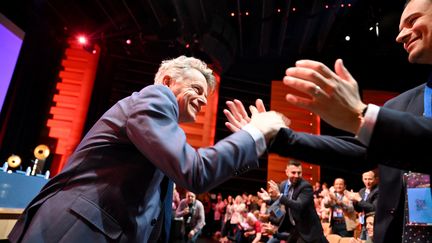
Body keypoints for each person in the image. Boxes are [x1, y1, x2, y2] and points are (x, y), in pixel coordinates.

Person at [8, 55, 288, 243]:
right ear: (167, 81)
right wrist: (255, 133)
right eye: (197, 89)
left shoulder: (164, 128)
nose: (203, 101)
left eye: (207, 95)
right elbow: (195, 171)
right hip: (78, 232)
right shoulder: (155, 98)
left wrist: (247, 144)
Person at [224, 1, 432, 242]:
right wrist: (277, 137)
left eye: (412, 20)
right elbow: (360, 151)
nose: (399, 36)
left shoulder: (386, 115)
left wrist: (362, 115)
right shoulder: (399, 105)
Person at [258, 159, 328, 243]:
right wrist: (269, 201)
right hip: (295, 229)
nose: (297, 175)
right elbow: (281, 208)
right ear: (286, 172)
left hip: (309, 231)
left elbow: (298, 206)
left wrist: (279, 196)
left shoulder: (306, 186)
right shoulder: (283, 185)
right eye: (293, 172)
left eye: (299, 172)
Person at [348, 170, 378, 240]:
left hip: (373, 225)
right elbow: (359, 209)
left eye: (370, 179)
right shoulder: (362, 191)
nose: (367, 182)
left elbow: (373, 208)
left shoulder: (378, 190)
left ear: (375, 179)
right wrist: (354, 201)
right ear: (362, 179)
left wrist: (359, 199)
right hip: (364, 223)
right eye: (365, 179)